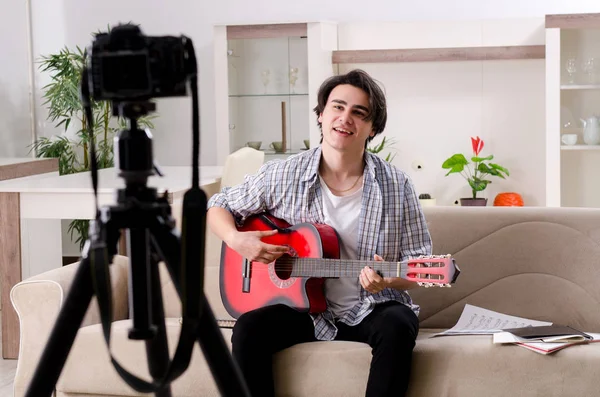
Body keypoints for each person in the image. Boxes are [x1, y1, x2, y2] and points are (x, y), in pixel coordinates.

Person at [206, 69, 432, 397]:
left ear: (373, 128)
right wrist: (236, 238)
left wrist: (389, 280)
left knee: (398, 324)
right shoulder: (281, 175)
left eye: (359, 112)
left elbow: (420, 264)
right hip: (303, 310)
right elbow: (219, 204)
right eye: (337, 107)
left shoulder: (397, 185)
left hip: (370, 307)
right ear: (321, 114)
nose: (345, 118)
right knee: (248, 330)